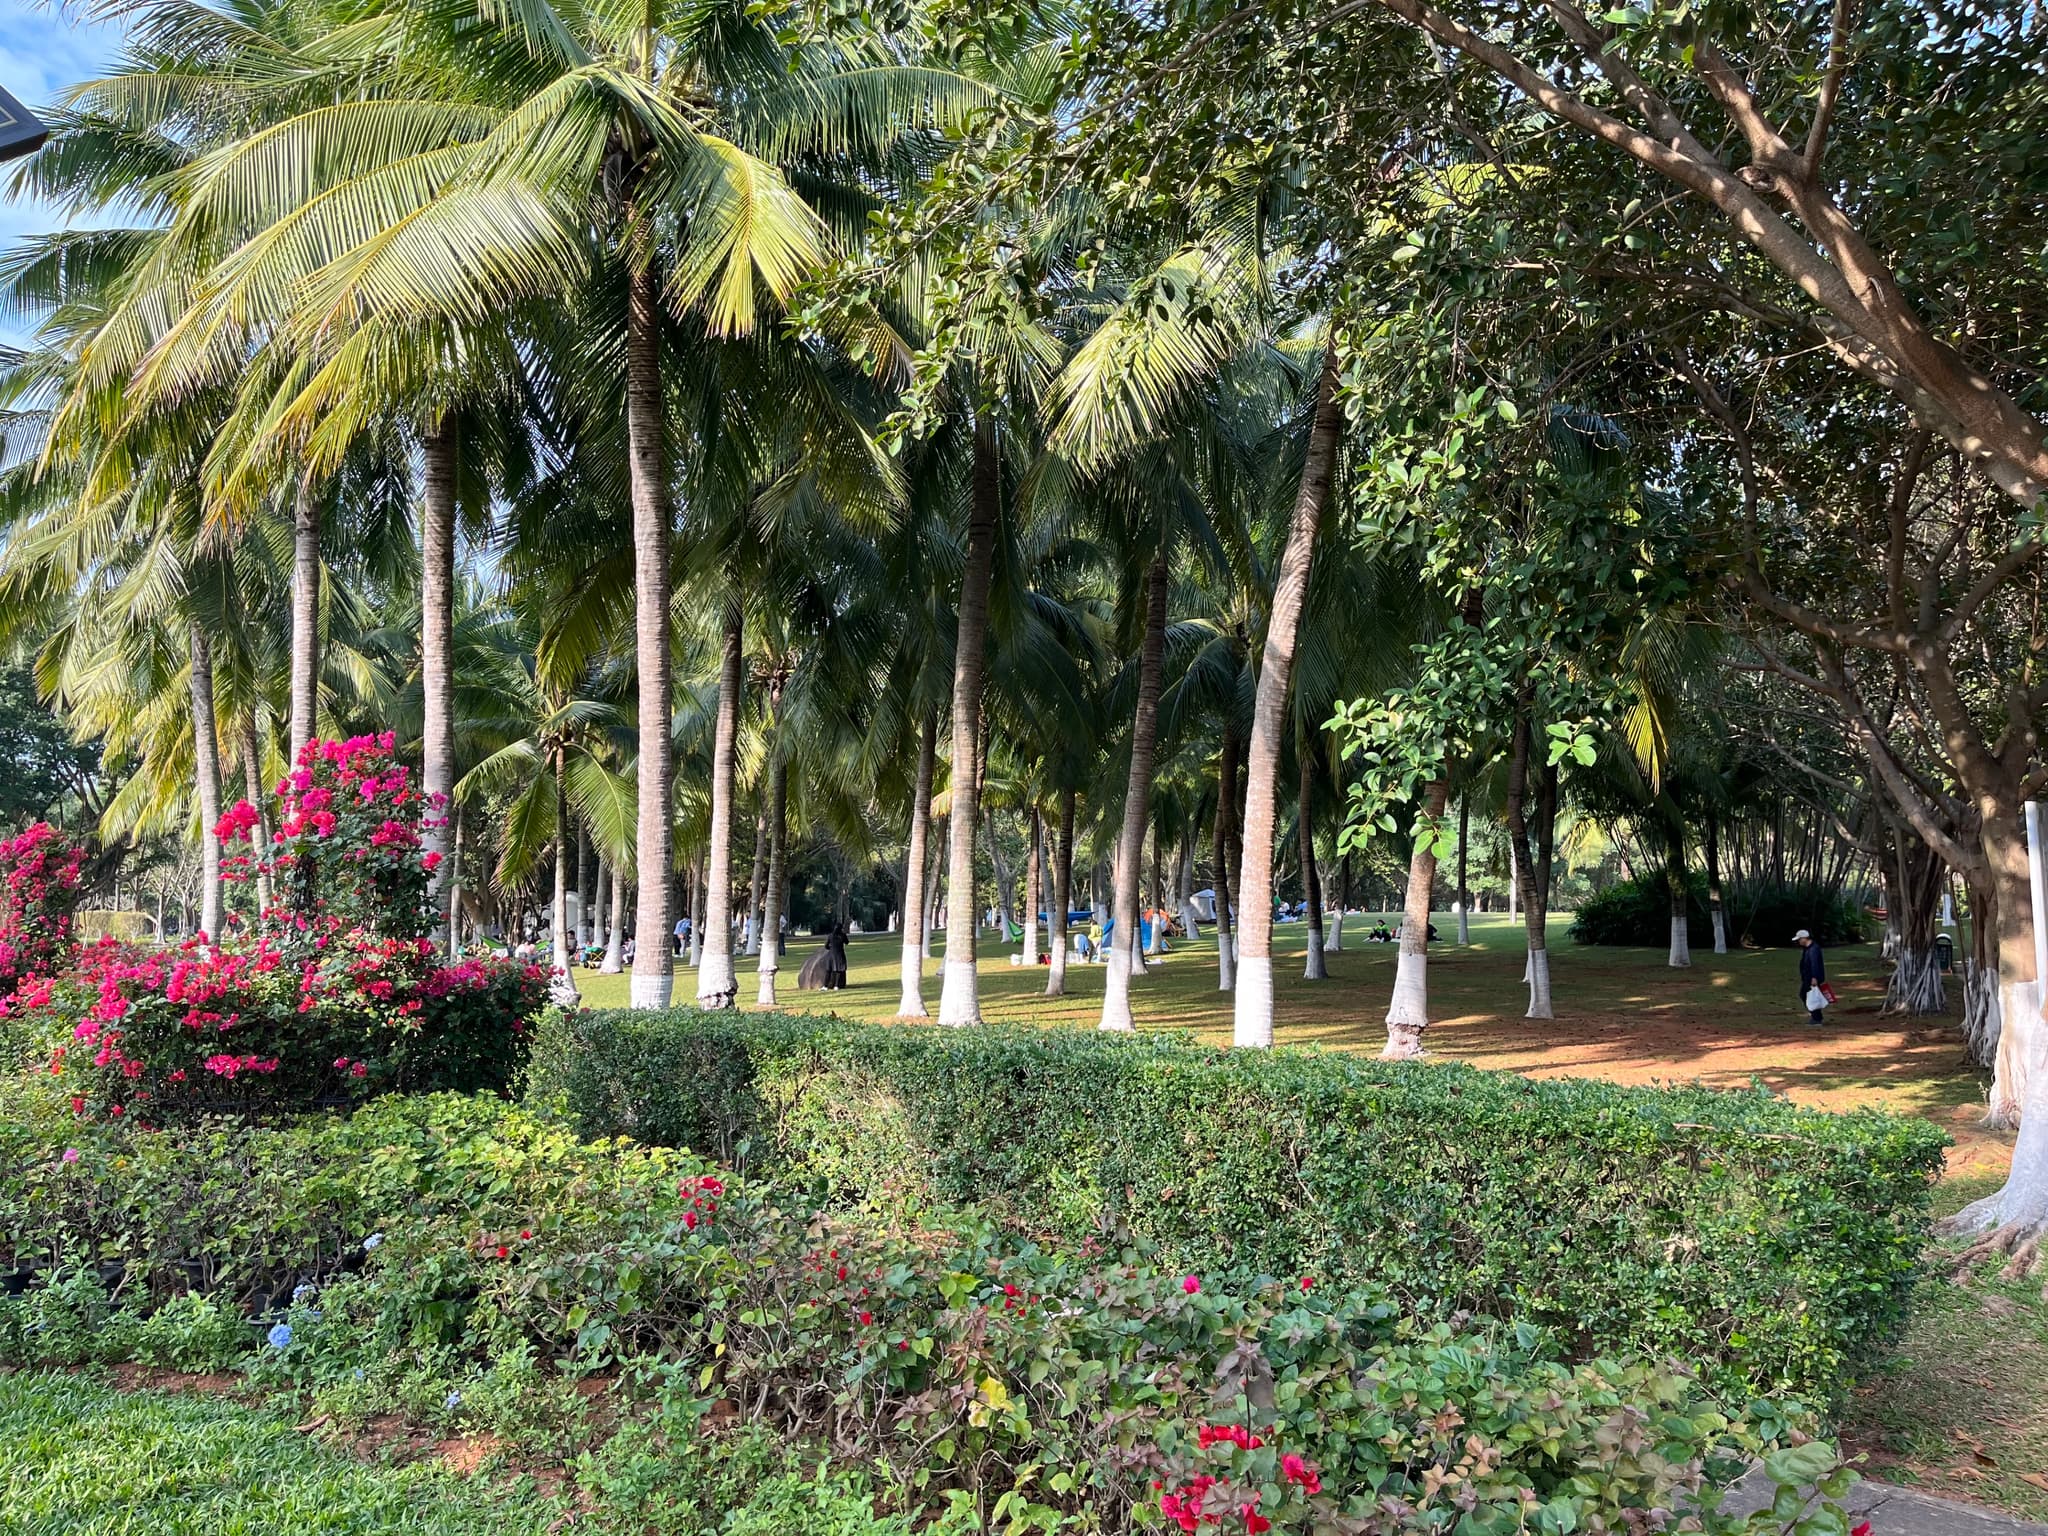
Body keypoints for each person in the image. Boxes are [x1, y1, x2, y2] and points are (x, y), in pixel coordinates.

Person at [1796, 929, 1827, 1025]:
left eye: (1799, 939)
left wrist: (1814, 977)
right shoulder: (1807, 948)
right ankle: (1816, 1016)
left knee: (1806, 995)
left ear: (1804, 938)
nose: (1799, 941)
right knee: (1808, 996)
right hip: (1807, 977)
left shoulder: (1813, 949)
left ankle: (1816, 1018)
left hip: (1811, 978)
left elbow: (1815, 964)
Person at [823, 919, 849, 990]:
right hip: (840, 954)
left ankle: (825, 986)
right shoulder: (842, 935)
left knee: (828, 970)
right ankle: (836, 986)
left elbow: (826, 946)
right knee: (838, 970)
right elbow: (847, 942)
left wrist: (831, 948)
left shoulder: (830, 936)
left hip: (831, 954)